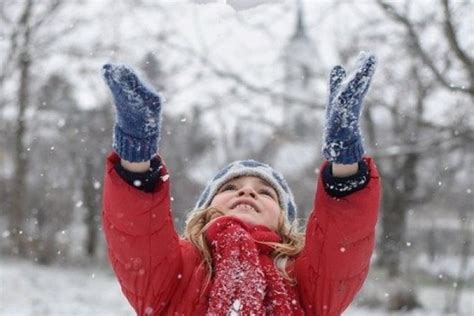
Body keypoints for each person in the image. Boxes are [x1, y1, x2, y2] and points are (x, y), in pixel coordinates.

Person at [101, 52, 381, 315]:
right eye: (230, 188)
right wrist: (136, 154)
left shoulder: (301, 277)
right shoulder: (179, 266)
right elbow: (137, 234)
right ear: (206, 209)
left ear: (284, 220)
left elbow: (342, 243)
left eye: (265, 192)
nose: (247, 191)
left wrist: (345, 161)